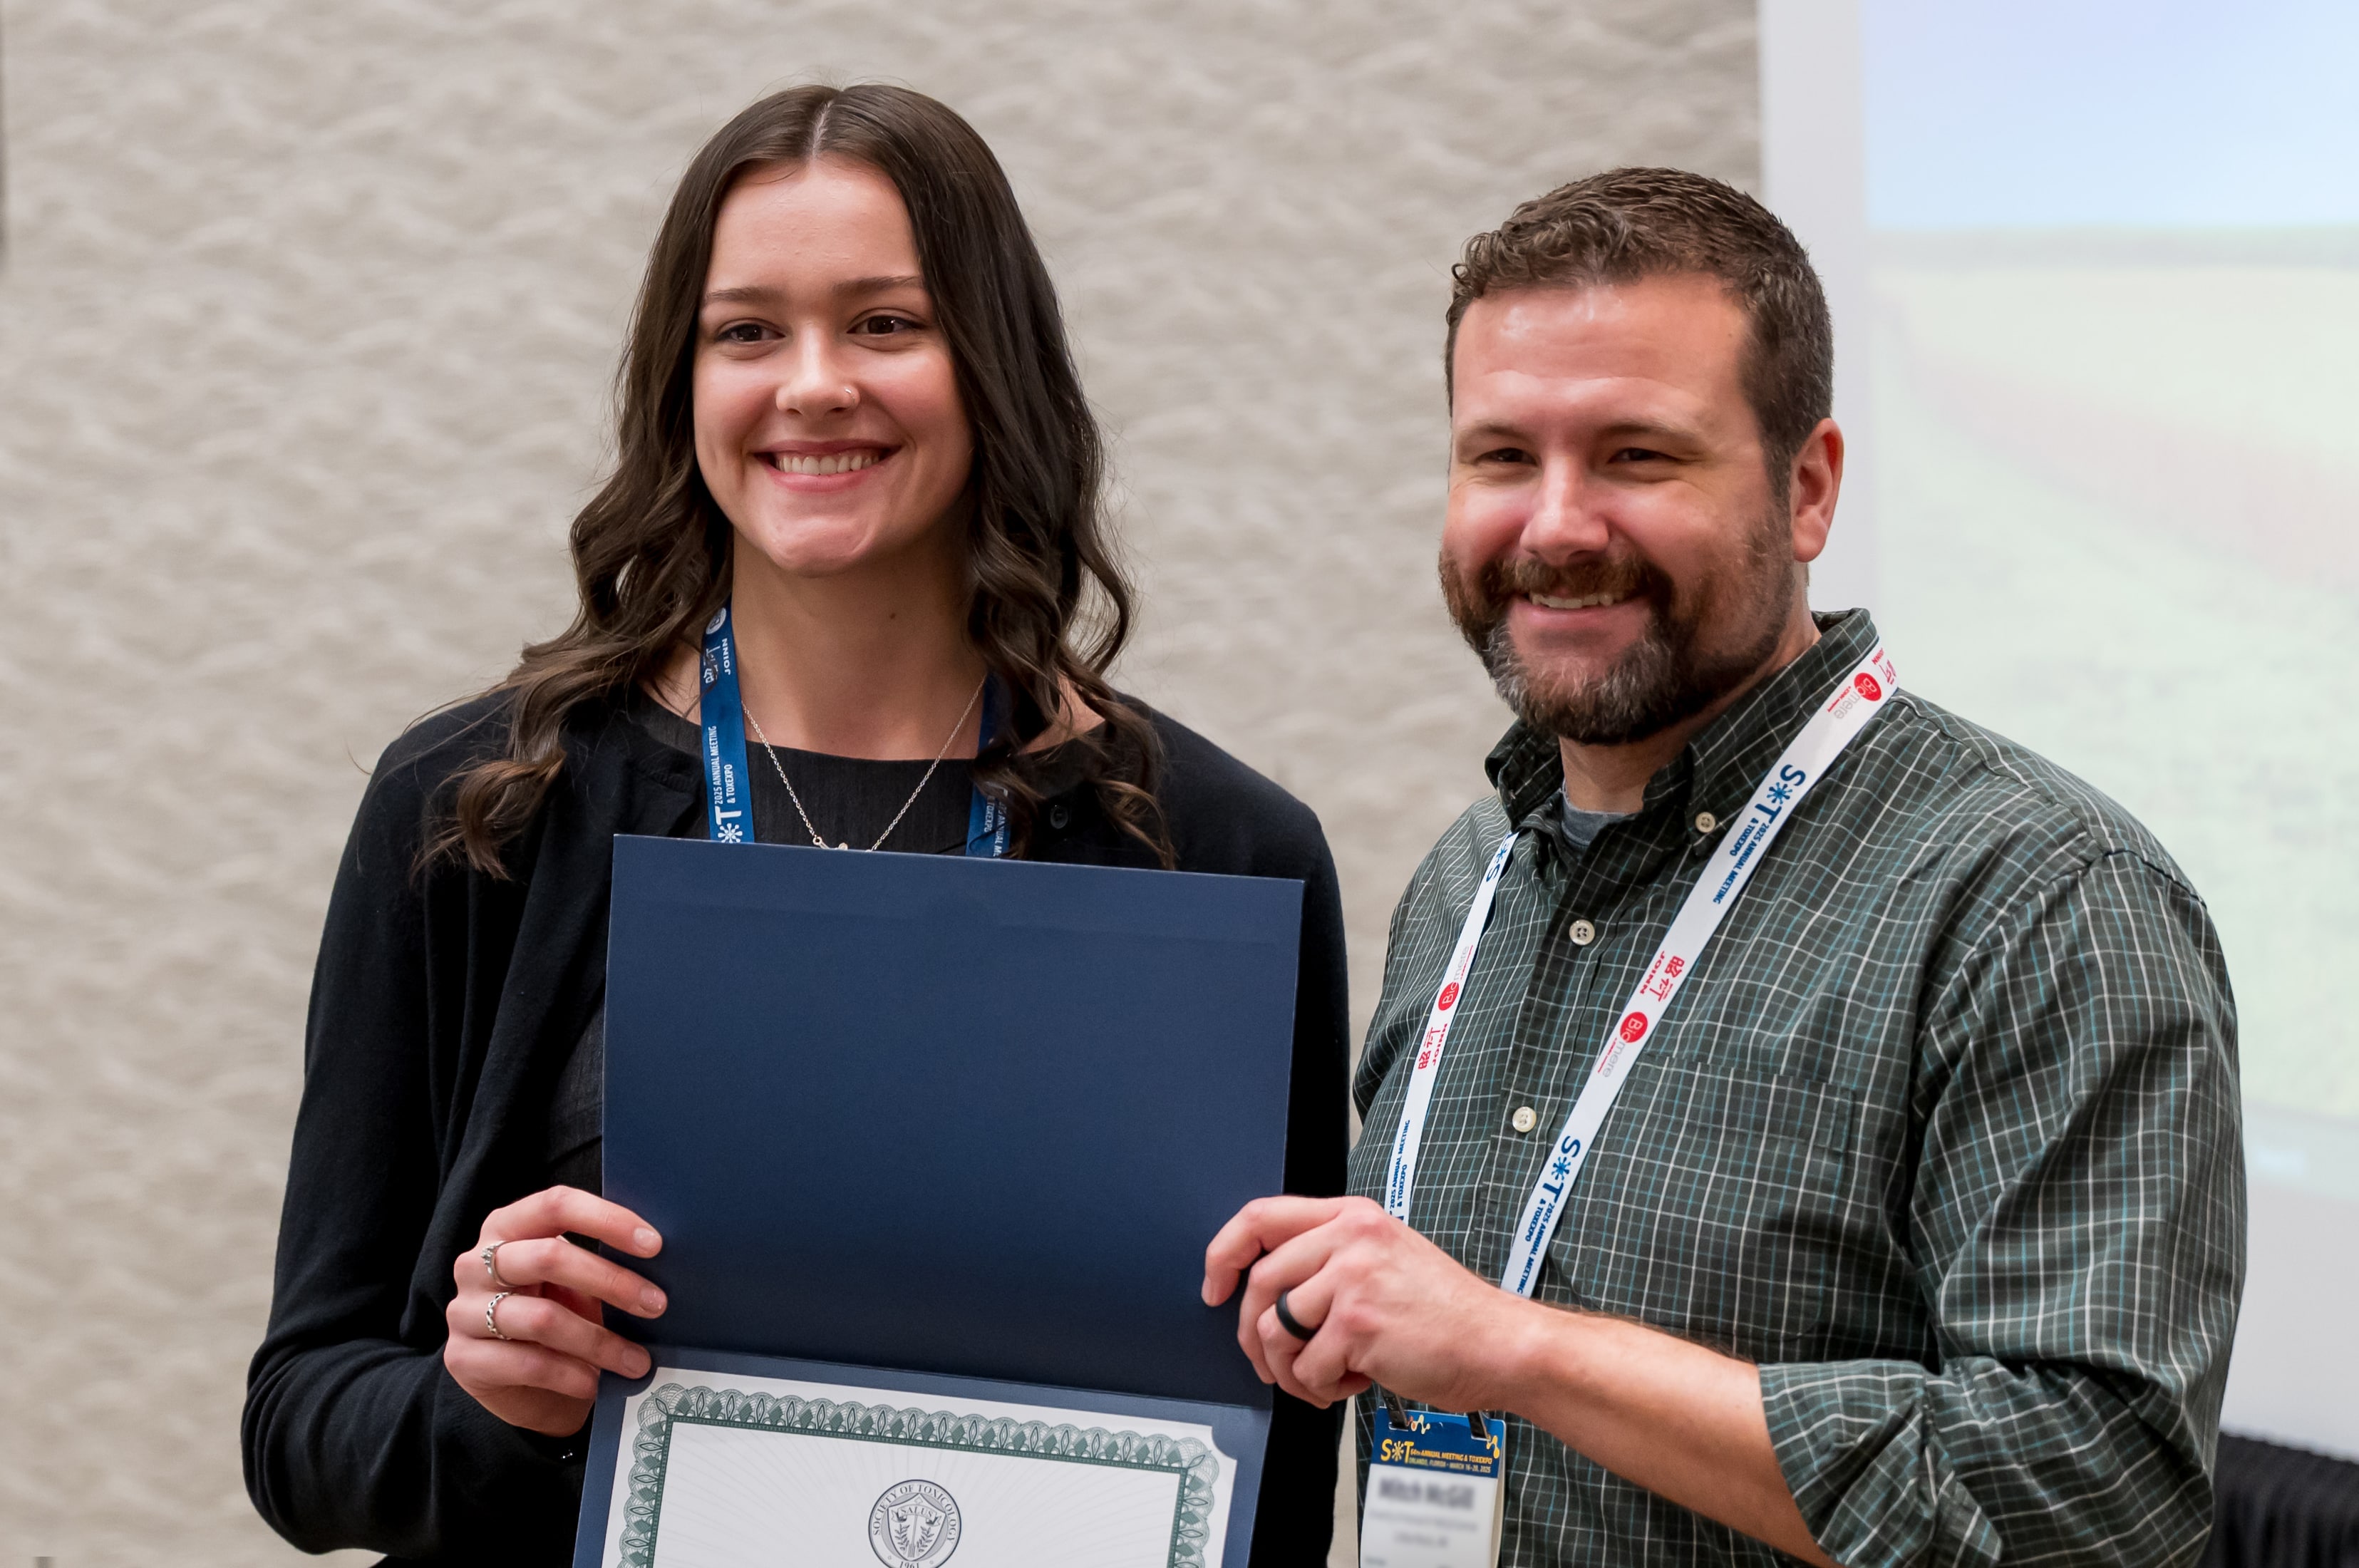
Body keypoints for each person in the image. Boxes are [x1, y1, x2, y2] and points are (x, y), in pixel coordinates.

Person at [244, 83, 1345, 1564]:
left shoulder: (1215, 851)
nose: (811, 382)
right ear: (682, 382)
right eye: (747, 330)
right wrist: (491, 1399)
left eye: (885, 323)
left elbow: (1268, 1458)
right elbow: (303, 1427)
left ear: (993, 364)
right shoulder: (477, 809)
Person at [1204, 167, 2243, 1565]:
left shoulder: (2041, 899)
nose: (1556, 524)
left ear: (1804, 488)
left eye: (1635, 454)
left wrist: (1519, 1348)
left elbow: (2092, 1500)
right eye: (1502, 455)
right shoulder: (1468, 877)